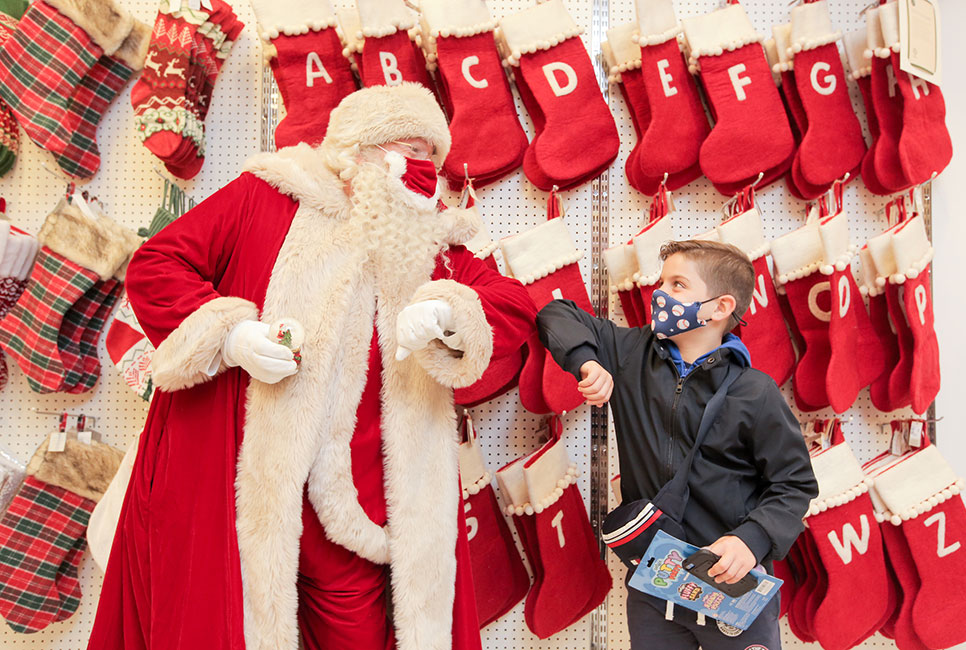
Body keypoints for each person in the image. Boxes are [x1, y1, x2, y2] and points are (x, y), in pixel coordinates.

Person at [87, 83, 536, 650]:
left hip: (365, 515)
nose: (422, 172)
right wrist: (231, 335)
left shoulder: (435, 232)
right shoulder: (269, 195)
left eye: (432, 157)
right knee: (230, 628)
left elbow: (509, 302)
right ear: (355, 152)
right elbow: (159, 264)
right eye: (408, 152)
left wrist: (451, 313)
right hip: (245, 484)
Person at [536, 239, 817, 650]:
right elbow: (554, 313)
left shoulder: (756, 393)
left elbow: (794, 485)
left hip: (733, 590)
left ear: (720, 308)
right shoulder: (630, 355)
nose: (660, 294)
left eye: (678, 284)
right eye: (662, 282)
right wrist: (587, 361)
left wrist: (751, 539)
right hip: (656, 589)